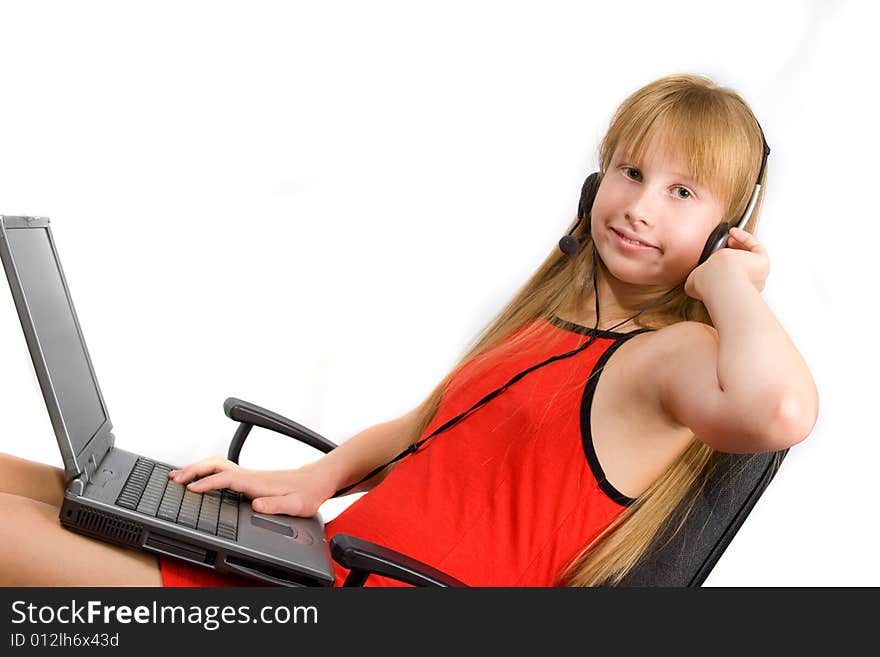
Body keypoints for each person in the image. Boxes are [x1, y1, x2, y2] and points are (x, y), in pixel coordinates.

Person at [0, 73, 819, 587]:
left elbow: (780, 412)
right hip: (316, 559)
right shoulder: (563, 320)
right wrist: (319, 478)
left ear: (724, 228)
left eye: (684, 193)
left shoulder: (675, 356)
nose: (640, 204)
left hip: (349, 593)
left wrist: (727, 285)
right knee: (36, 479)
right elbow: (429, 427)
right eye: (632, 171)